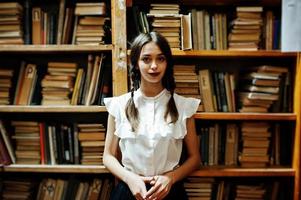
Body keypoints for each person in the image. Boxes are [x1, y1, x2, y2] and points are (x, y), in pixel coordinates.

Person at [103, 31, 200, 200]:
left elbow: (195, 158)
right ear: (136, 63)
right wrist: (129, 178)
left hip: (170, 191)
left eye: (160, 59)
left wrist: (170, 178)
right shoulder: (118, 105)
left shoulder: (184, 106)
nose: (154, 66)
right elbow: (108, 156)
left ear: (167, 63)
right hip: (129, 191)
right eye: (146, 59)